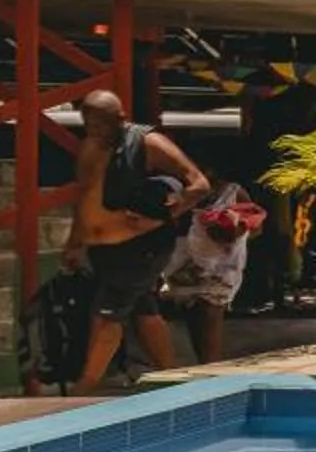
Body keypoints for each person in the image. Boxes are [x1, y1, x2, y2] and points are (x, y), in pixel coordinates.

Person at [61, 90, 208, 390]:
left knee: (108, 314)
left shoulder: (147, 143)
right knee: (144, 310)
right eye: (89, 124)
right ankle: (174, 378)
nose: (95, 131)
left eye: (102, 124)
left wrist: (164, 214)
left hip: (143, 247)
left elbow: (199, 185)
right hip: (104, 249)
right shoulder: (90, 147)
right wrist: (76, 240)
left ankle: (83, 390)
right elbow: (85, 197)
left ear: (121, 118)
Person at [160, 182, 266, 362]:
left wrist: (232, 229)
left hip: (220, 266)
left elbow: (255, 226)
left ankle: (211, 369)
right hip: (186, 262)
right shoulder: (179, 188)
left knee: (210, 315)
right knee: (193, 316)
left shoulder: (232, 192)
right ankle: (204, 367)